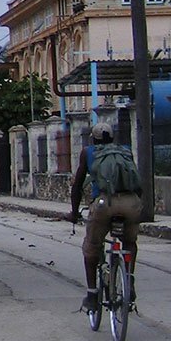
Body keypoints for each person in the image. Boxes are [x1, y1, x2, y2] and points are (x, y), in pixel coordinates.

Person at [68, 122, 143, 312]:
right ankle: (129, 281)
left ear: (93, 139)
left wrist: (74, 212)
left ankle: (92, 294)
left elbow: (77, 185)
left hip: (104, 204)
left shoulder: (88, 152)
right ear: (113, 137)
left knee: (91, 247)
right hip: (130, 203)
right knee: (129, 243)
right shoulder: (125, 150)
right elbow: (136, 182)